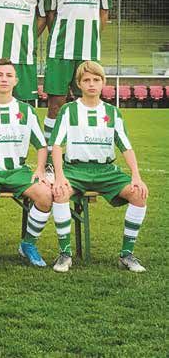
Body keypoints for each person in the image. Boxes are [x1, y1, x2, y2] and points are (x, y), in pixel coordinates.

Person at [49, 61, 148, 273]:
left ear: (103, 82)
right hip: (75, 171)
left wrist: (136, 176)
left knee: (139, 194)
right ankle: (65, 254)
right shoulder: (68, 110)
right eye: (86, 80)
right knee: (59, 192)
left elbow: (126, 147)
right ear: (79, 84)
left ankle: (126, 255)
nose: (92, 84)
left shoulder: (112, 112)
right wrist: (59, 176)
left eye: (96, 79)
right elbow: (56, 146)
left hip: (106, 172)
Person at [0, 59, 54, 267]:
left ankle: (28, 244)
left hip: (18, 172)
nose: (4, 79)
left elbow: (41, 146)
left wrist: (40, 168)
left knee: (45, 195)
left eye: (8, 75)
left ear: (16, 80)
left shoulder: (26, 110)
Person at [43, 0, 111, 158]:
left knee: (89, 103)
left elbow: (103, 13)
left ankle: (83, 155)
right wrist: (62, 35)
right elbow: (50, 14)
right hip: (60, 51)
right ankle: (50, 158)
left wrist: (92, 36)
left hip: (89, 52)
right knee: (56, 104)